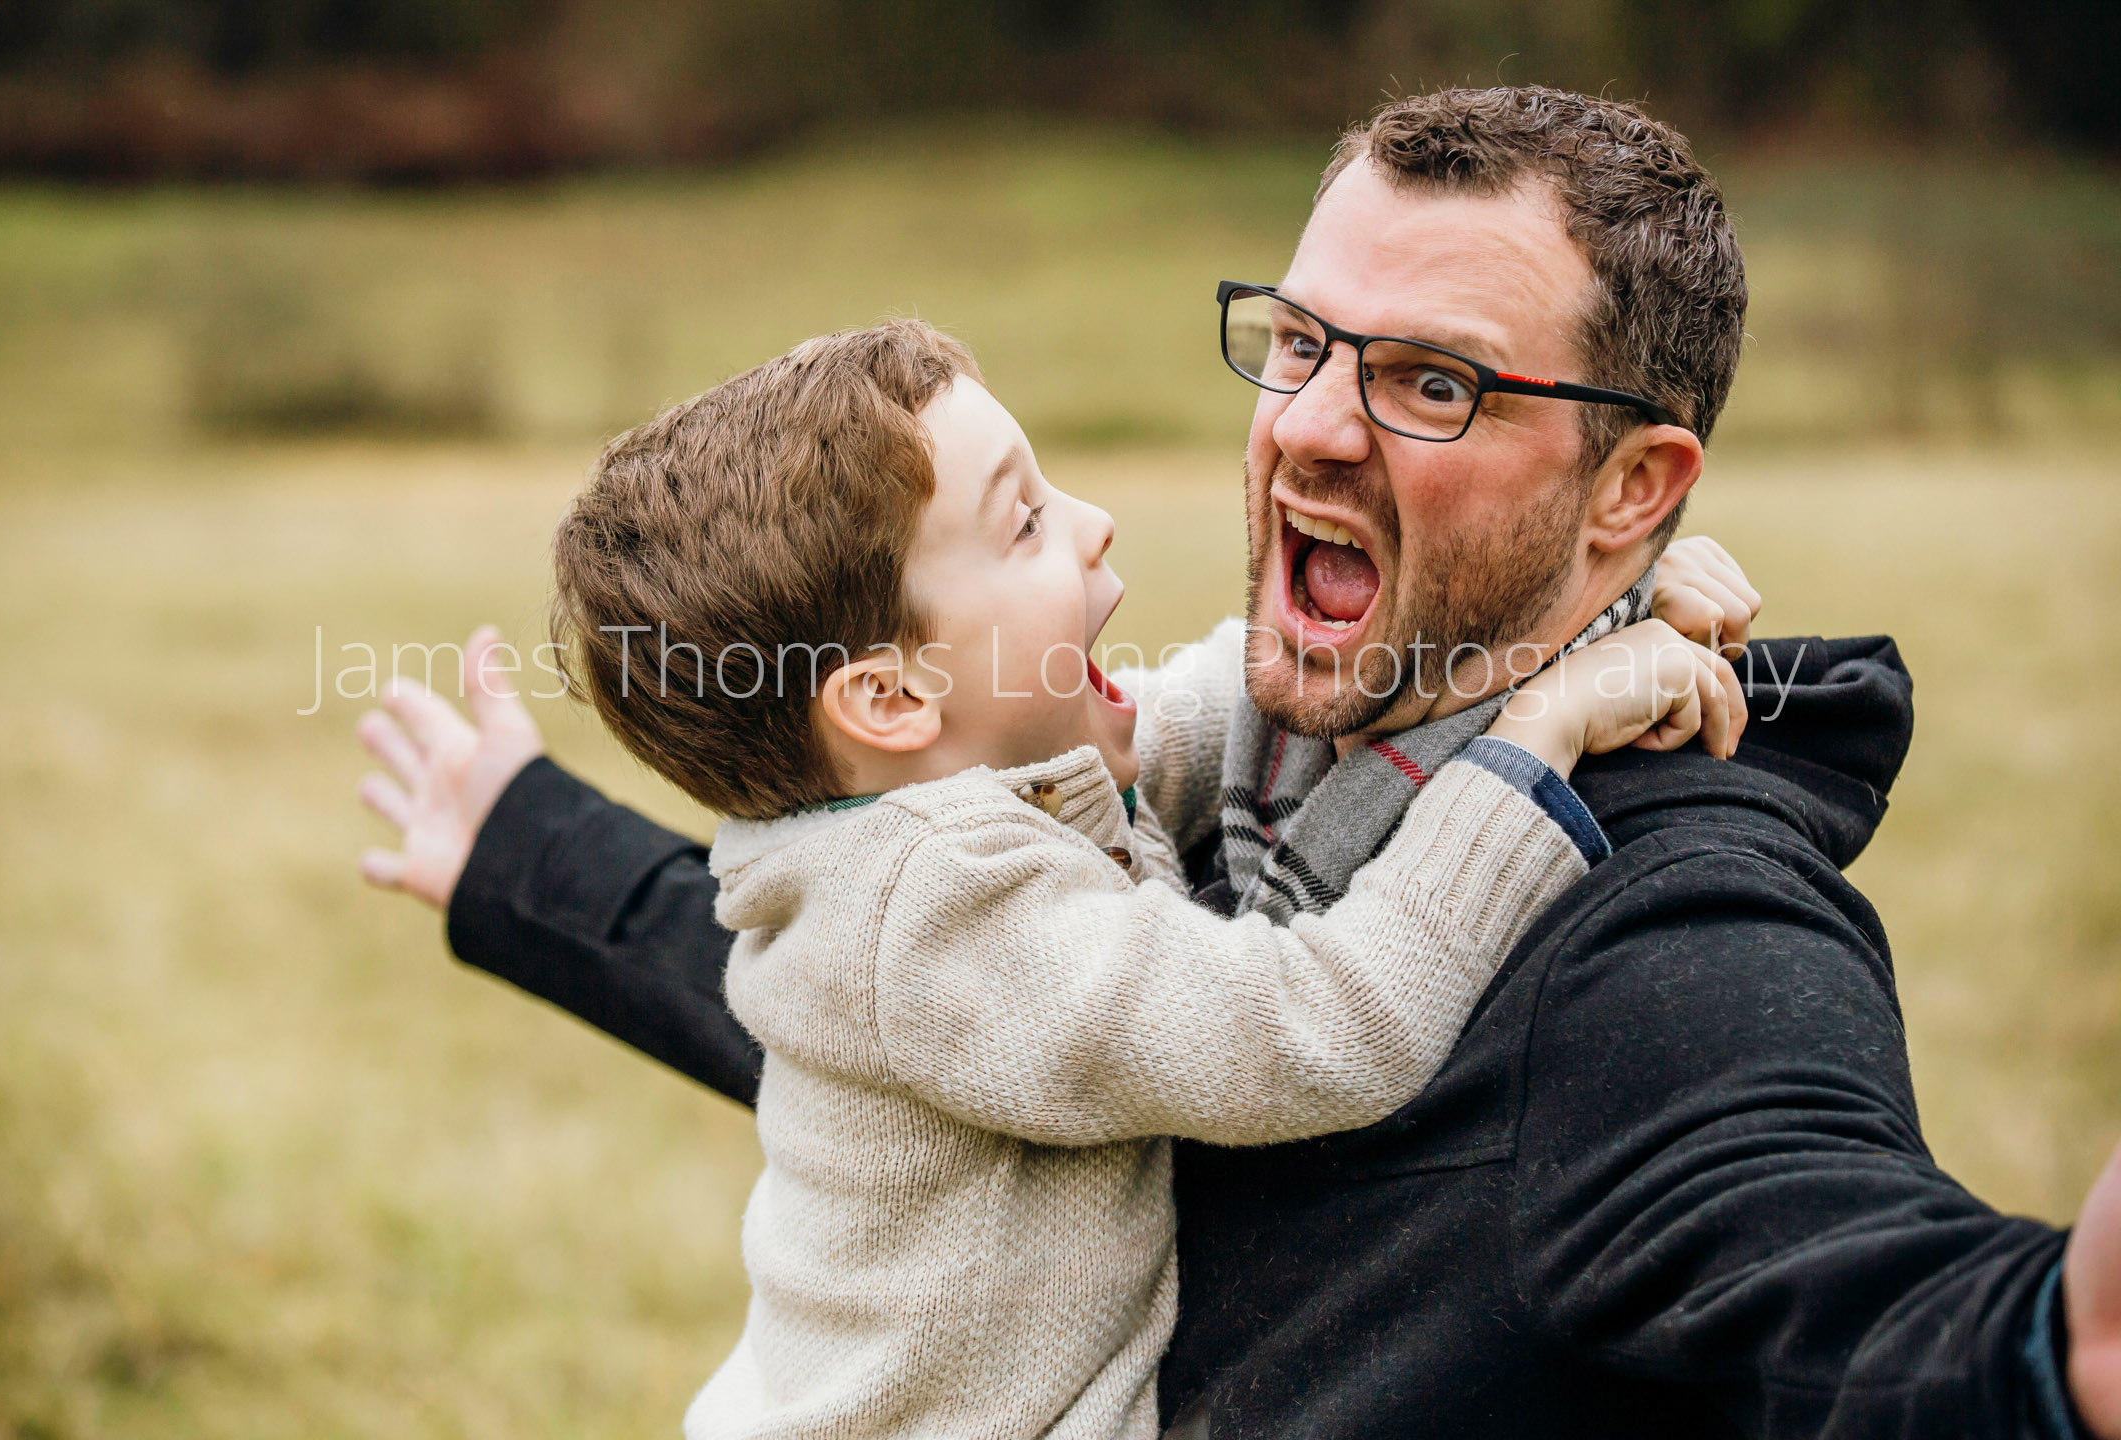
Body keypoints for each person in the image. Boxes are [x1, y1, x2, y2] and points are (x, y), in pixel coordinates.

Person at [355, 88, 2121, 1438]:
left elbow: (1800, 1234)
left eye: (1431, 381)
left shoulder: (1667, 932)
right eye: (1297, 342)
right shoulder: (1228, 767)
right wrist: (525, 851)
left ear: (1636, 492)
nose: (1311, 426)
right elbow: (896, 1017)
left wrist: (2049, 1351)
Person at [533, 314, 1741, 1438]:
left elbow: (1229, 706)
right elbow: (1325, 1025)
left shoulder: (971, 790)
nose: (1092, 521)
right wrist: (1548, 726)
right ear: (893, 698)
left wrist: (1581, 598)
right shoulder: (934, 912)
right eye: (1023, 524)